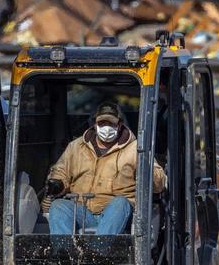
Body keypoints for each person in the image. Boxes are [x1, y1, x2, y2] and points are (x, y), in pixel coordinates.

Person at [46, 100, 165, 235]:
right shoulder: (76, 147)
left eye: (111, 123)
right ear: (95, 124)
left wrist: (148, 170)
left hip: (117, 214)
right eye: (102, 123)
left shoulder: (136, 149)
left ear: (119, 125)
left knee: (120, 203)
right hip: (82, 212)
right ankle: (64, 249)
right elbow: (60, 172)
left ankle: (99, 248)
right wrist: (57, 184)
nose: (106, 128)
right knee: (58, 206)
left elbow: (159, 183)